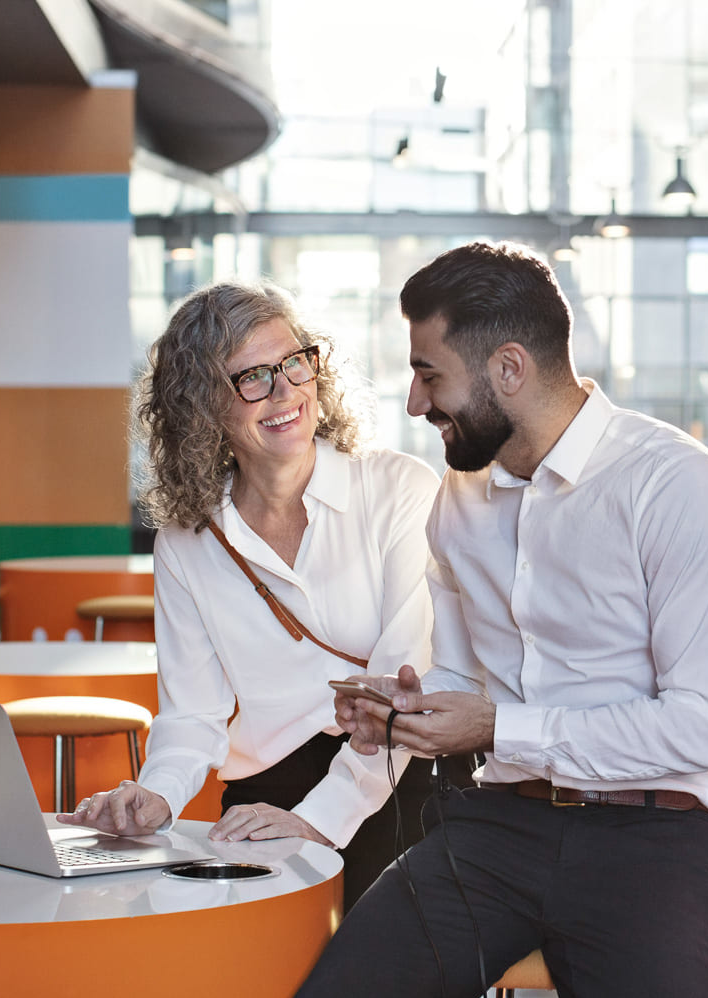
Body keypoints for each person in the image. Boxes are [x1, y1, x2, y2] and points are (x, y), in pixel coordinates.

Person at [278, 242, 708, 998]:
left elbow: (704, 728)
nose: (415, 401)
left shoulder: (675, 484)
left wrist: (497, 728)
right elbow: (467, 678)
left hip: (659, 843)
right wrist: (411, 711)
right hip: (500, 828)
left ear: (507, 368)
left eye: (430, 375)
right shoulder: (459, 501)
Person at [56, 280, 442, 908]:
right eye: (252, 378)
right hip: (265, 799)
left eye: (294, 363)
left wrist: (320, 821)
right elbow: (192, 715)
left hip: (403, 786)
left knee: (356, 990)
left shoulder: (399, 490)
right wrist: (156, 796)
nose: (286, 390)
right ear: (203, 408)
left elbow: (406, 689)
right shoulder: (188, 540)